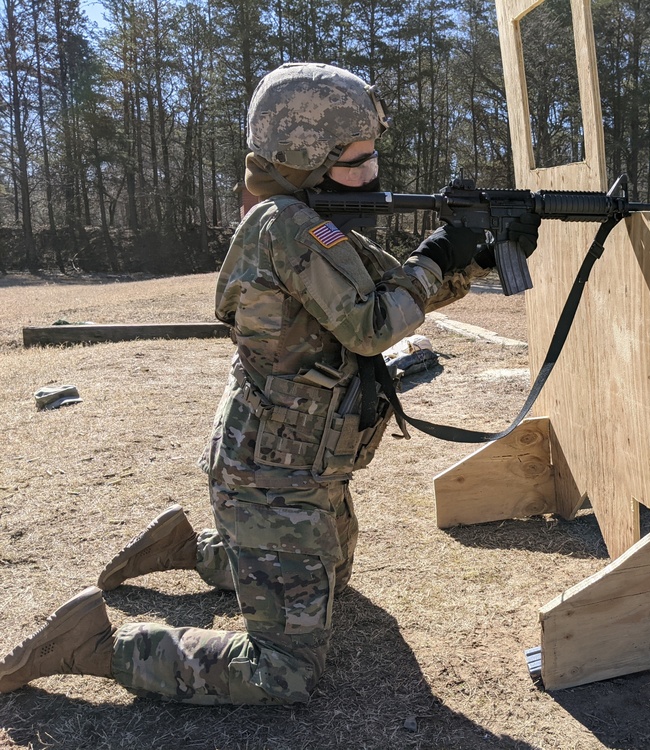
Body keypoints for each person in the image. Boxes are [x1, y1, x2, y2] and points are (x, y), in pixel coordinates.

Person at [0, 62, 539, 704]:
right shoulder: (288, 225)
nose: (372, 174)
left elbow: (380, 299)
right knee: (282, 670)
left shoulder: (308, 223)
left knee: (334, 577)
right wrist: (436, 259)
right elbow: (371, 326)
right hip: (271, 481)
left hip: (301, 471)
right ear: (303, 156)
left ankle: (194, 550)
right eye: (356, 159)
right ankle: (94, 645)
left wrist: (470, 261)